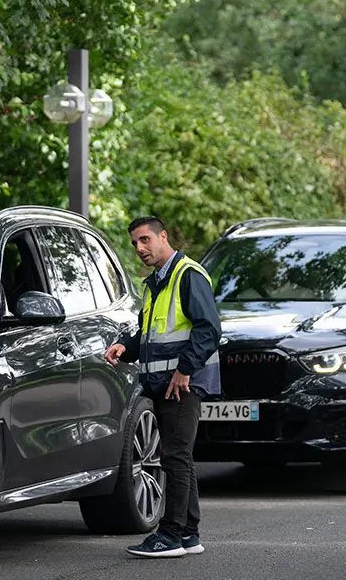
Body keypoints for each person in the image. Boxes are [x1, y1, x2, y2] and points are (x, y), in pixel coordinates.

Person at [104, 216, 222, 559]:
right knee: (178, 456)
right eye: (135, 244)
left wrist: (185, 370)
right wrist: (127, 345)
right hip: (163, 384)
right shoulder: (154, 282)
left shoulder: (188, 275)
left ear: (163, 236)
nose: (140, 248)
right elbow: (151, 335)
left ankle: (169, 534)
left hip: (182, 384)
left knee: (175, 456)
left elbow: (208, 329)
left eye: (145, 240)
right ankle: (188, 533)